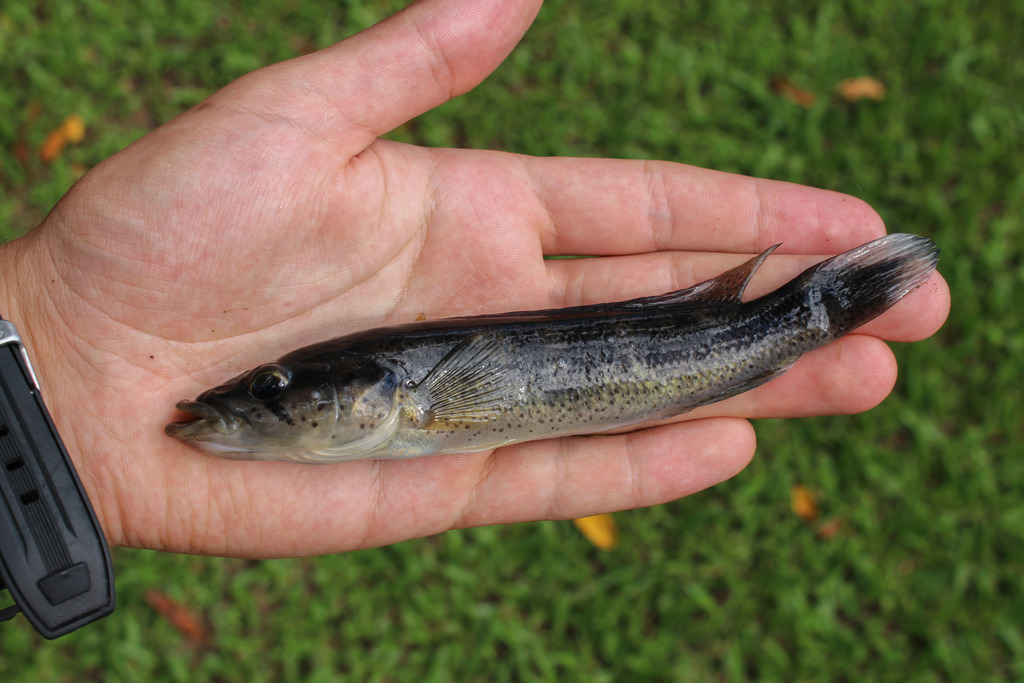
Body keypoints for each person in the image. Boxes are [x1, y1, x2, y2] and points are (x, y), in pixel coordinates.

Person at [0, 0, 949, 558]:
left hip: (690, 343)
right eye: (274, 387)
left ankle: (816, 310)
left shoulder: (409, 402)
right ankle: (810, 315)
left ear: (366, 393)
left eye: (279, 385)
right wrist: (52, 359)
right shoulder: (381, 407)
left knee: (786, 335)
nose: (263, 395)